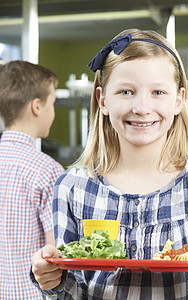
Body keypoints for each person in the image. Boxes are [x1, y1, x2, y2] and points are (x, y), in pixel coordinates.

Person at [30, 29, 188, 299]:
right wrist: (52, 281)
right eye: (125, 92)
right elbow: (69, 292)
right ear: (103, 100)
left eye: (158, 91)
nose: (142, 107)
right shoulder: (72, 187)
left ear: (178, 100)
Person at [0, 60, 65, 299]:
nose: (53, 112)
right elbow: (55, 256)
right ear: (37, 106)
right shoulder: (47, 171)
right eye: (53, 103)